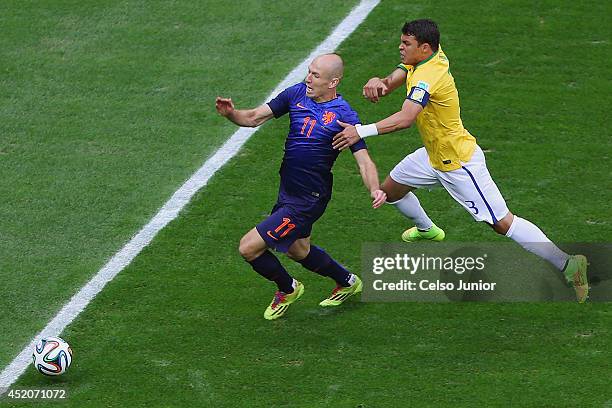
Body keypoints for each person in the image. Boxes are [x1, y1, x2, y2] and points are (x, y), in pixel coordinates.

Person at [331, 19, 588, 302]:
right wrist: (383, 82)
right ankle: (428, 230)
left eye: (406, 44)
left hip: (458, 164)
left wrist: (360, 131)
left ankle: (568, 264)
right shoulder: (430, 57)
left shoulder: (429, 76)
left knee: (502, 223)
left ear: (424, 47)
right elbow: (405, 69)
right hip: (432, 155)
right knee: (391, 190)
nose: (400, 47)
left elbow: (405, 119)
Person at [216, 53, 386, 320]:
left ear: (333, 82)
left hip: (308, 199)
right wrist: (231, 114)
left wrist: (374, 189)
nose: (308, 78)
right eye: (309, 72)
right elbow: (254, 117)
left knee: (248, 247)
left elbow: (364, 161)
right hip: (289, 191)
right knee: (299, 250)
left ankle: (288, 288)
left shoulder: (344, 115)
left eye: (315, 75)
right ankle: (348, 281)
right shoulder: (296, 94)